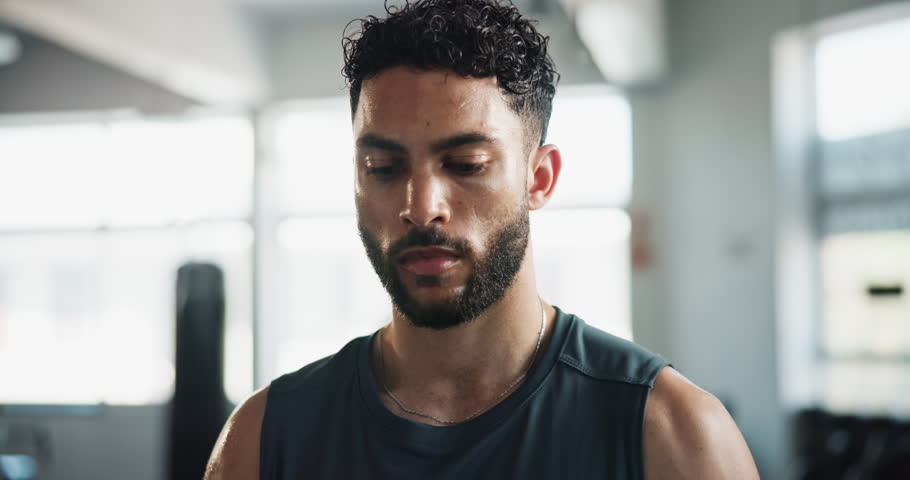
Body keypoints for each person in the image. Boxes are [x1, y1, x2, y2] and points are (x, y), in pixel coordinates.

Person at [206, 0, 760, 478]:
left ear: (539, 178)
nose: (421, 207)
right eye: (383, 168)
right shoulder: (264, 437)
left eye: (466, 164)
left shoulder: (675, 434)